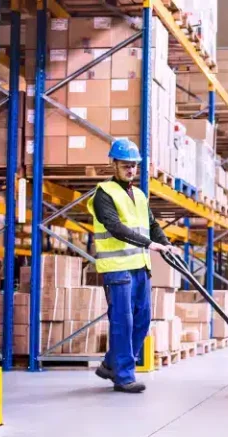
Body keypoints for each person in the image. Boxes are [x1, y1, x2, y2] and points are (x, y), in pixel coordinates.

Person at [86, 139, 181, 393]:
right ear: (113, 164)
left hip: (140, 267)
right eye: (126, 165)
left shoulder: (138, 195)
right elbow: (114, 227)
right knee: (123, 321)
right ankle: (124, 376)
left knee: (142, 320)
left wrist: (165, 243)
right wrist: (149, 244)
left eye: (134, 166)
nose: (131, 170)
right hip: (117, 268)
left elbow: (152, 225)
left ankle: (109, 364)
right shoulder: (103, 193)